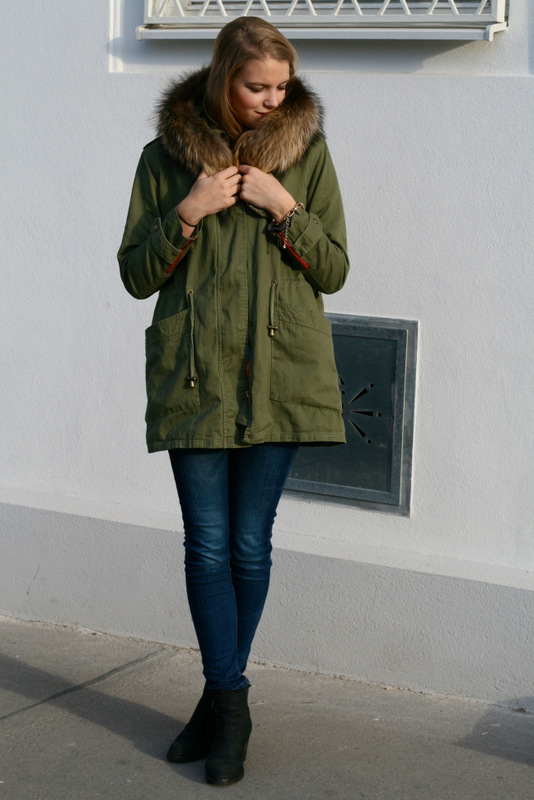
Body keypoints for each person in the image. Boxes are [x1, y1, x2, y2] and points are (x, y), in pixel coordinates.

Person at [117, 16, 349, 786]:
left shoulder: (308, 156)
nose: (272, 100)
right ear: (224, 79)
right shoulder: (164, 160)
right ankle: (231, 702)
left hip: (281, 377)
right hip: (197, 376)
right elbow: (135, 275)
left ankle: (220, 701)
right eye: (257, 86)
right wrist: (188, 211)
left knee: (250, 545)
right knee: (207, 546)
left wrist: (285, 207)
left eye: (282, 87)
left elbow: (335, 269)